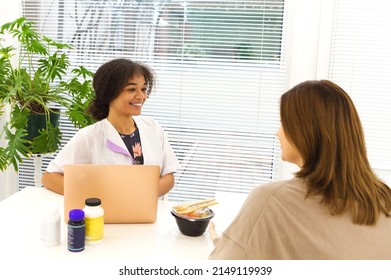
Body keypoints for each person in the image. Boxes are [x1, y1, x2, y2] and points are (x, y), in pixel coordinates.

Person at [208, 80, 391, 259]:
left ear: (304, 131)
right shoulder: (385, 199)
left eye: (283, 123)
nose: (278, 133)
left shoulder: (271, 199)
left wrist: (229, 244)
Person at [41, 58, 180, 196]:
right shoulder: (89, 136)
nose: (141, 96)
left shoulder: (153, 128)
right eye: (132, 89)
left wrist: (140, 197)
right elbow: (50, 178)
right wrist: (95, 196)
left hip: (151, 215)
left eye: (143, 89)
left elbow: (168, 177)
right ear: (109, 94)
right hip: (106, 215)